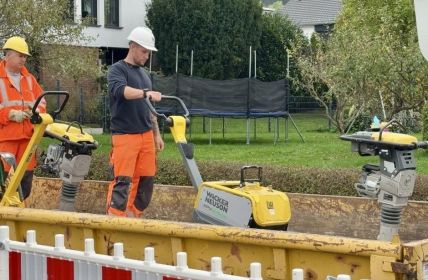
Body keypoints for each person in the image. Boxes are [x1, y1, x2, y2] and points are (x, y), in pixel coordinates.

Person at [106, 26, 164, 217]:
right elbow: (121, 91)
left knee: (145, 183)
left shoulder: (145, 75)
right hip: (125, 137)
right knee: (122, 182)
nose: (147, 56)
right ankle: (113, 223)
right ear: (132, 46)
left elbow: (150, 109)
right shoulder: (117, 70)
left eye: (148, 52)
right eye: (144, 51)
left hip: (146, 135)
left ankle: (133, 218)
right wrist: (145, 93)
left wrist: (156, 134)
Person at [0, 36, 46, 200]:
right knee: (4, 185)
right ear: (7, 55)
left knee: (25, 186)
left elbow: (42, 101)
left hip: (27, 139)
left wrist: (36, 112)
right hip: (6, 140)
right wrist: (11, 114)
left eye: (25, 56)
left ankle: (17, 218)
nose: (24, 59)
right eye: (20, 55)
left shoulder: (29, 79)